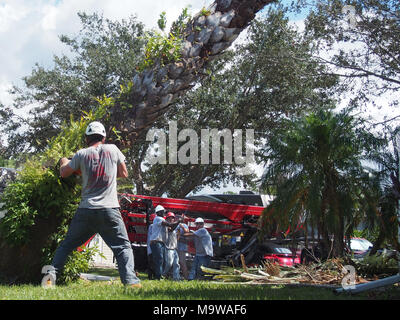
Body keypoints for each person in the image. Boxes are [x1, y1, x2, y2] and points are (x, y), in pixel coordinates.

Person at [42, 121, 141, 288]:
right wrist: (106, 173)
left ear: (87, 138)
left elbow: (64, 173)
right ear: (103, 137)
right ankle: (131, 282)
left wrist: (64, 160)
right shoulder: (113, 149)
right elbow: (124, 173)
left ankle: (49, 279)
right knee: (123, 247)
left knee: (66, 246)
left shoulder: (81, 154)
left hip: (86, 211)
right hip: (109, 210)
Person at [149, 205, 182, 280]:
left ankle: (160, 276)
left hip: (160, 243)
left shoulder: (161, 221)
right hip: (157, 242)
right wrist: (179, 221)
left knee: (161, 261)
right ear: (159, 212)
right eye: (163, 211)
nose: (164, 212)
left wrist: (178, 222)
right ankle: (158, 277)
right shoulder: (158, 218)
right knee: (159, 260)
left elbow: (171, 228)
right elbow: (170, 225)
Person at [162, 212, 181, 281]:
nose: (171, 219)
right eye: (169, 218)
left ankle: (176, 278)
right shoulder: (166, 226)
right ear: (166, 219)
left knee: (176, 264)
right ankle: (163, 275)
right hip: (168, 248)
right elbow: (171, 229)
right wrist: (179, 221)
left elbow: (177, 235)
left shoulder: (175, 227)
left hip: (174, 248)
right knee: (169, 264)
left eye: (172, 218)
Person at [146, 213, 156, 280]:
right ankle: (152, 276)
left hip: (150, 248)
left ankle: (150, 276)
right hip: (152, 247)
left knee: (151, 263)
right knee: (153, 263)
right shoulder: (153, 226)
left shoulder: (151, 226)